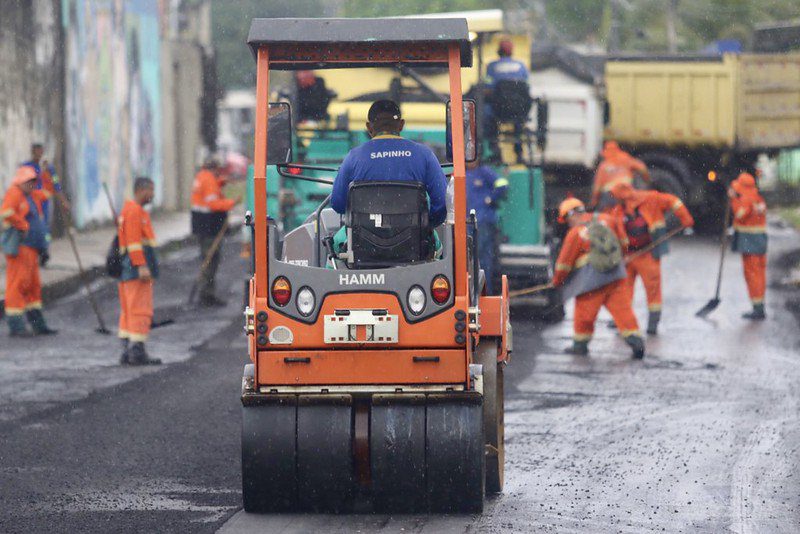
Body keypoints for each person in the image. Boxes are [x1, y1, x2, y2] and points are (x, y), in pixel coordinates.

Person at [330, 99, 447, 252]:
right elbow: (443, 203)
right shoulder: (424, 155)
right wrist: (425, 225)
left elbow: (338, 204)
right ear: (401, 125)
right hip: (414, 247)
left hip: (363, 249)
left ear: (368, 127)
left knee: (332, 248)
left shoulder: (354, 158)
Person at [552, 197, 645, 359]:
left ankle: (580, 346)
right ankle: (636, 342)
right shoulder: (607, 220)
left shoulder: (576, 233)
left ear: (572, 214)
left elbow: (564, 264)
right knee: (624, 312)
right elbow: (623, 241)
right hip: (615, 275)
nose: (568, 223)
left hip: (592, 283)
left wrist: (557, 281)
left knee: (584, 315)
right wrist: (621, 258)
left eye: (567, 219)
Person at [609, 182, 694, 335]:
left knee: (652, 289)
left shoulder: (651, 199)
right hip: (628, 256)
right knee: (624, 290)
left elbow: (674, 201)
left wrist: (685, 217)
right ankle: (624, 323)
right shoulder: (618, 212)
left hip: (648, 254)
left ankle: (652, 324)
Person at [1, 165, 57, 336]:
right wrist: (23, 224)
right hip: (21, 247)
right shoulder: (15, 193)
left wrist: (49, 173)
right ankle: (16, 325)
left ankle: (38, 324)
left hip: (33, 248)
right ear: (21, 181)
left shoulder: (33, 195)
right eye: (29, 181)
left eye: (34, 181)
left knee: (33, 286)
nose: (32, 184)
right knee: (18, 284)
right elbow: (6, 212)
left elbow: (48, 192)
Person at [117, 177, 161, 365]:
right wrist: (142, 266)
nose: (152, 194)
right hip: (136, 270)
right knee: (139, 309)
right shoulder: (135, 211)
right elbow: (135, 243)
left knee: (129, 309)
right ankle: (137, 352)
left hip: (130, 269)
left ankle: (127, 351)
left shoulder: (131, 210)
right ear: (141, 190)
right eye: (151, 190)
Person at [191, 158, 239, 307]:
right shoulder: (209, 180)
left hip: (202, 225)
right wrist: (231, 203)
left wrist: (220, 183)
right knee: (211, 260)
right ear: (215, 168)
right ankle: (206, 295)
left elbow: (207, 194)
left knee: (208, 258)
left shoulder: (201, 177)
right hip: (209, 226)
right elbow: (213, 203)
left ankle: (207, 293)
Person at [22, 143, 70, 263]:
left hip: (43, 203)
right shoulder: (27, 167)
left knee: (44, 227)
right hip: (29, 203)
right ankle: (31, 251)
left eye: (41, 151)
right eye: (37, 151)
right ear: (32, 152)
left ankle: (44, 250)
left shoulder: (49, 169)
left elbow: (56, 185)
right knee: (31, 227)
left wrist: (63, 200)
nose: (39, 154)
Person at [484, 39, 531, 163]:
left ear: (499, 51)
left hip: (499, 111)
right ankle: (519, 151)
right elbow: (527, 88)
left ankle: (495, 150)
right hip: (518, 111)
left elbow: (488, 90)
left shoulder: (492, 66)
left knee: (487, 114)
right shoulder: (521, 66)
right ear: (511, 52)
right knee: (518, 121)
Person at [466, 159, 508, 294]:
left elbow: (502, 184)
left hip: (482, 223)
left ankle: (484, 294)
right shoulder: (462, 174)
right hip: (466, 223)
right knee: (469, 260)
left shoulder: (484, 172)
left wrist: (490, 198)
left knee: (482, 260)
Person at [729, 172, 767, 320]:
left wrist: (733, 199)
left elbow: (739, 214)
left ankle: (757, 309)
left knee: (752, 275)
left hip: (750, 242)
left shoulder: (746, 199)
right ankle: (760, 306)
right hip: (760, 241)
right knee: (759, 274)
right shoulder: (757, 197)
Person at [591, 141, 650, 209]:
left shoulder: (603, 166)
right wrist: (647, 181)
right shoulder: (626, 159)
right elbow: (643, 169)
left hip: (610, 195)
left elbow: (597, 189)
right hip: (626, 193)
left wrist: (593, 203)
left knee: (607, 214)